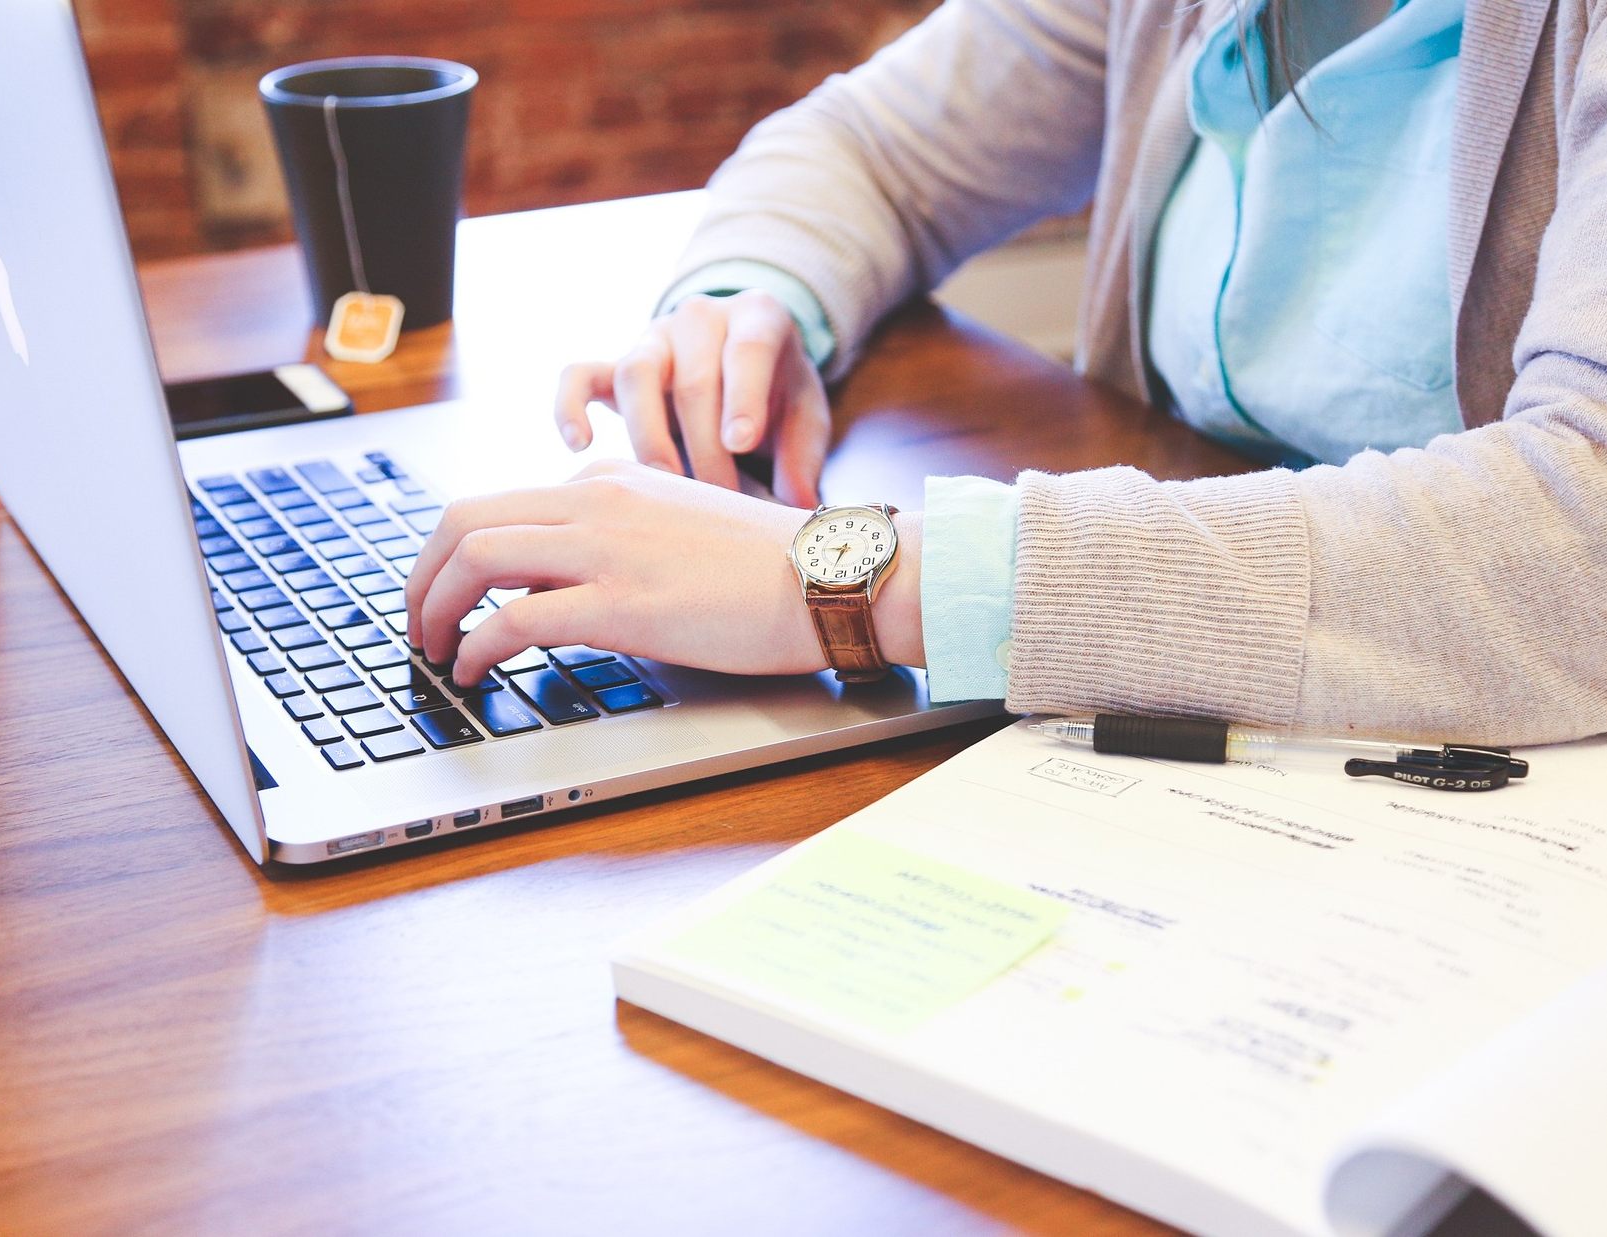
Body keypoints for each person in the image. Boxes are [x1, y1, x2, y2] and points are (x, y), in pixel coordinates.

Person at [406, 0, 1607, 746]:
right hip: (1210, 729)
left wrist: (850, 583)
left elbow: (1577, 541)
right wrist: (748, 298)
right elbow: (873, 147)